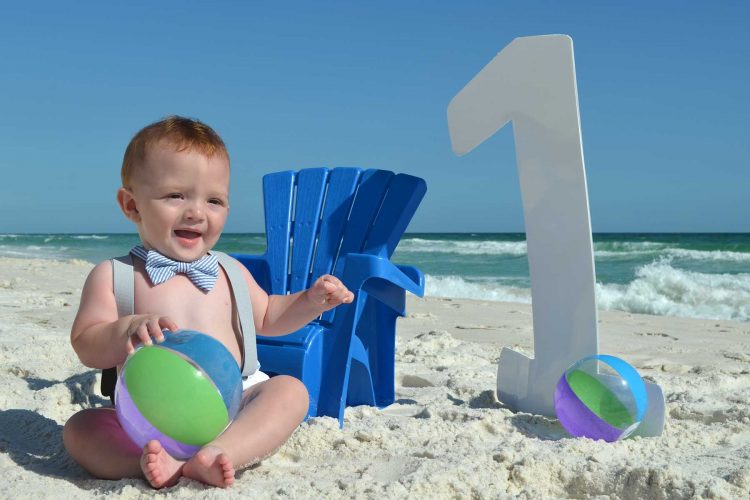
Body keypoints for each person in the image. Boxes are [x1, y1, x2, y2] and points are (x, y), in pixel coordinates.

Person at [62, 116, 354, 489]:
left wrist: (311, 301)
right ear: (131, 205)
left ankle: (220, 452)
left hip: (231, 403)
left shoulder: (230, 271)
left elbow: (269, 316)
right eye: (175, 195)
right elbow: (86, 342)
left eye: (214, 200)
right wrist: (126, 330)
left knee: (290, 392)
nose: (197, 212)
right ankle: (148, 463)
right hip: (147, 418)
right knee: (80, 429)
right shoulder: (115, 275)